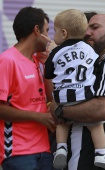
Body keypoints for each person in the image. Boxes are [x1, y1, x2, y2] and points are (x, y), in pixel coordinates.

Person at [50, 13, 105, 170]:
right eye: (87, 27)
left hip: (86, 158)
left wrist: (61, 111)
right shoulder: (95, 62)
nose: (87, 32)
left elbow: (104, 109)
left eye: (94, 27)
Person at [0, 7, 56, 170]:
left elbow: (51, 99)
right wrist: (38, 117)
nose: (50, 37)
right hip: (18, 152)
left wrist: (48, 66)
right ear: (37, 30)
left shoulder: (39, 61)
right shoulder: (7, 61)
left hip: (44, 150)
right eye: (47, 30)